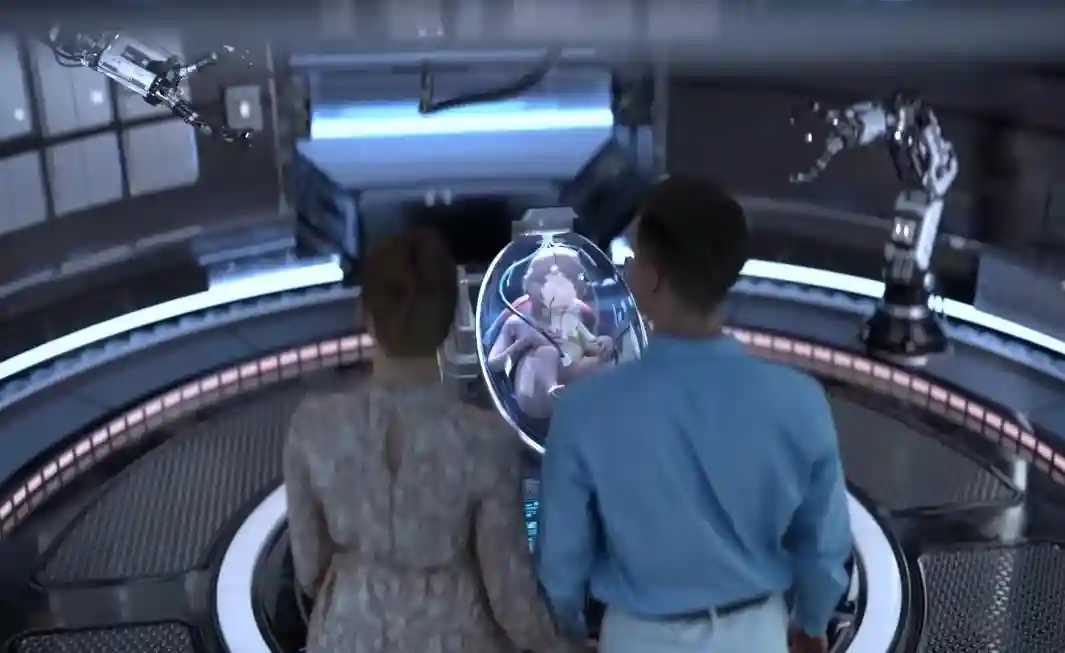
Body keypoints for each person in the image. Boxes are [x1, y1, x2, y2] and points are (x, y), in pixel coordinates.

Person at [535, 175, 853, 653]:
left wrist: (570, 631)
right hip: (757, 636)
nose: (628, 267)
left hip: (636, 640)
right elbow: (826, 550)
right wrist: (810, 620)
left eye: (633, 257)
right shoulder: (801, 402)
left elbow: (560, 564)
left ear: (653, 277)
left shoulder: (583, 412)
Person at [283, 228, 580, 653]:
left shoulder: (313, 427)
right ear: (451, 321)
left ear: (364, 313)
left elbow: (309, 569)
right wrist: (561, 646)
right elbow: (510, 598)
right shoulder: (486, 442)